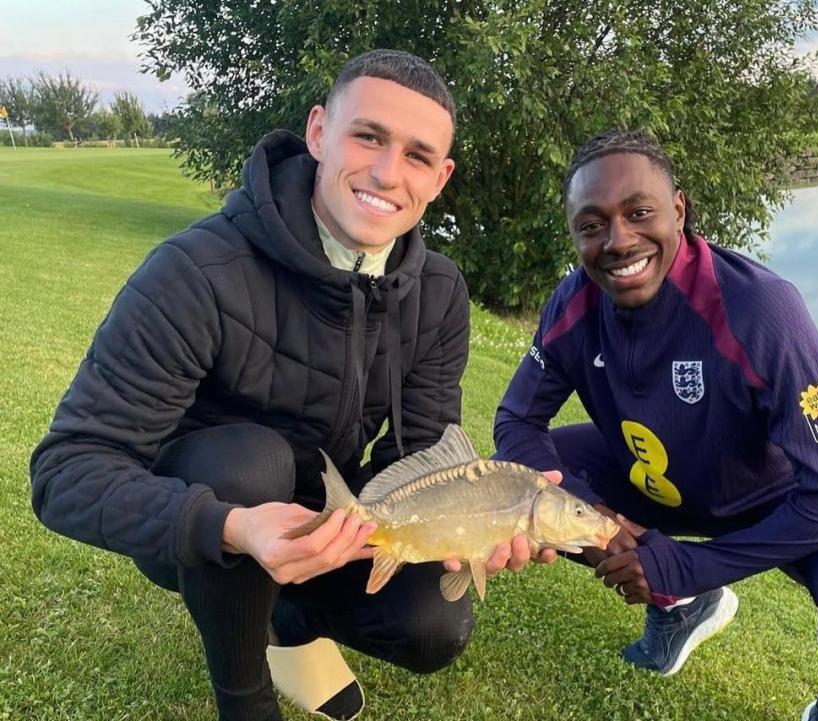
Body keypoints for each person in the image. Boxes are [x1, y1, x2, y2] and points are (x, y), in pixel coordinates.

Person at [30, 49, 540, 721]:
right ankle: (244, 694)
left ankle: (287, 624)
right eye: (368, 136)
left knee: (431, 626)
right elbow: (65, 473)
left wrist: (481, 513)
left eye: (418, 156)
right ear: (319, 132)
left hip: (340, 517)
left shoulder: (439, 291)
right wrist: (231, 526)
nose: (388, 174)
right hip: (210, 508)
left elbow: (416, 455)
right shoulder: (194, 270)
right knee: (251, 465)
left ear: (440, 177)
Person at [494, 129, 818, 721]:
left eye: (638, 213)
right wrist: (596, 522)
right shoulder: (573, 303)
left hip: (782, 496)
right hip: (662, 476)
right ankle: (681, 610)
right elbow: (518, 420)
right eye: (592, 225)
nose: (618, 241)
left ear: (679, 209)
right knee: (526, 484)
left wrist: (690, 566)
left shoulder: (759, 308)